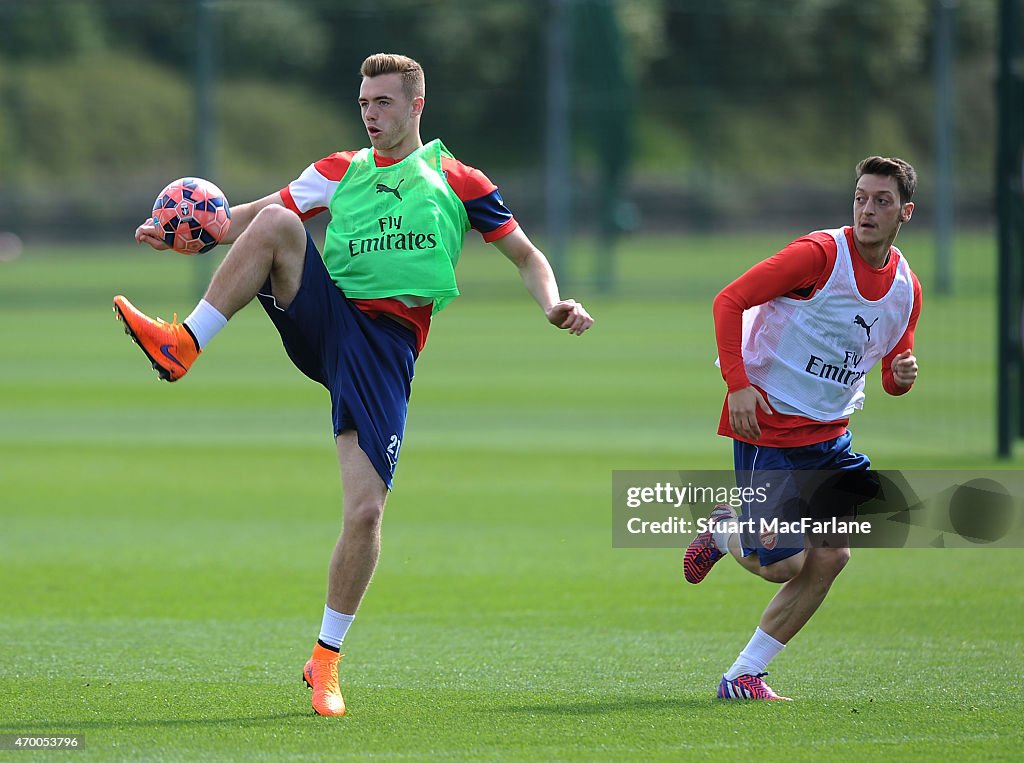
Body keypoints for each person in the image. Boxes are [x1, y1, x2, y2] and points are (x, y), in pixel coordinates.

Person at [113, 53, 593, 717]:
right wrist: (182, 233)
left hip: (387, 349)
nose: (370, 114)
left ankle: (325, 660)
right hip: (328, 316)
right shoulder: (339, 169)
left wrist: (553, 303)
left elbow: (527, 255)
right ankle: (183, 342)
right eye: (364, 102)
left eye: (384, 103)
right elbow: (247, 216)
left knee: (366, 513)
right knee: (279, 225)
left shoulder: (457, 179)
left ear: (416, 105)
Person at [682, 156, 922, 700]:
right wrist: (737, 383)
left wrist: (903, 375)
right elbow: (730, 300)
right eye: (861, 196)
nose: (867, 209)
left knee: (833, 556)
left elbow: (891, 372)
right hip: (769, 427)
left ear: (905, 212)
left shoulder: (907, 288)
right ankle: (724, 531)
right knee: (784, 565)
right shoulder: (819, 255)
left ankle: (742, 676)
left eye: (882, 201)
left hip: (831, 438)